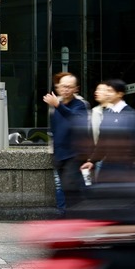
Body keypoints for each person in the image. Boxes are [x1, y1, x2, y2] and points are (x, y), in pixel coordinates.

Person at [80, 79, 135, 184]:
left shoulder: (130, 114)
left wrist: (134, 160)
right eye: (106, 91)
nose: (107, 94)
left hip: (125, 166)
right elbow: (102, 141)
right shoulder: (108, 113)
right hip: (108, 164)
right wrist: (92, 161)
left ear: (120, 94)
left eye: (110, 91)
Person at [43, 73, 89, 211]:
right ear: (58, 87)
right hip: (59, 154)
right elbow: (55, 128)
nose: (66, 90)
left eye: (69, 87)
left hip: (74, 154)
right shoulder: (55, 105)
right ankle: (64, 215)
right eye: (63, 86)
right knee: (61, 187)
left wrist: (58, 105)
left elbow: (75, 119)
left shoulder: (81, 105)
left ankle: (75, 216)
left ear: (76, 88)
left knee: (71, 186)